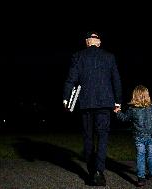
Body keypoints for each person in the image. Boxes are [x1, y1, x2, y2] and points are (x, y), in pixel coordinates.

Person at [63, 31, 122, 186]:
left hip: (86, 103)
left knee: (88, 137)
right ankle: (98, 171)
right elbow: (116, 79)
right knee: (102, 136)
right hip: (104, 103)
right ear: (99, 42)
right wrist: (118, 102)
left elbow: (71, 79)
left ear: (87, 42)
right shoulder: (109, 57)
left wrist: (66, 99)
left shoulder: (78, 56)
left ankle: (91, 171)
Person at [113, 85, 152, 187]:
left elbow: (124, 118)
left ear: (135, 96)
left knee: (140, 156)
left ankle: (141, 178)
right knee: (150, 155)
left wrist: (118, 112)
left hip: (139, 137)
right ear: (147, 96)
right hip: (150, 136)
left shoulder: (132, 109)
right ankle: (151, 172)